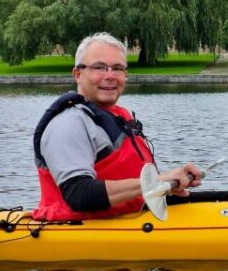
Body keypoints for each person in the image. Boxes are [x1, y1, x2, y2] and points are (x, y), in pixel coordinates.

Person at [33, 32, 203, 221]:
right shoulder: (67, 124)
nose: (110, 76)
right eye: (99, 67)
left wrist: (171, 183)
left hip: (131, 218)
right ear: (78, 74)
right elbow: (79, 195)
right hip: (79, 234)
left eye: (118, 69)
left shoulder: (117, 116)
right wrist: (155, 182)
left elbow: (132, 181)